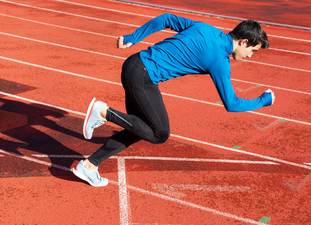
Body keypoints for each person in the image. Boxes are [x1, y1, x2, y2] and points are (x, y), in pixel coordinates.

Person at [72, 13, 275, 187]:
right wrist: (263, 101)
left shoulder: (206, 28)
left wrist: (134, 37)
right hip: (143, 77)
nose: (249, 56)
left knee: (138, 128)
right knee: (160, 133)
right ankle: (104, 112)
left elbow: (167, 18)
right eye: (252, 51)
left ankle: (89, 166)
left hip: (134, 65)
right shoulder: (220, 60)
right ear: (244, 42)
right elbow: (232, 104)